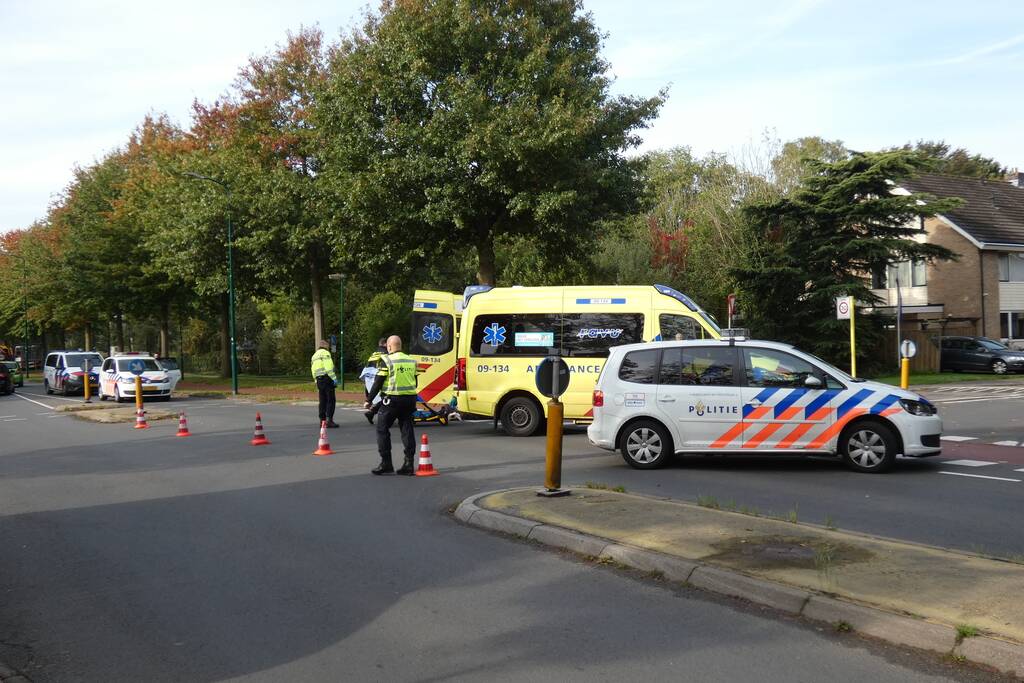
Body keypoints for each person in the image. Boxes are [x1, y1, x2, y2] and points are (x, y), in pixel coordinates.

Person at [364, 335, 418, 475]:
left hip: (392, 401)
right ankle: (409, 464)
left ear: (388, 347)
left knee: (382, 429)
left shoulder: (386, 360)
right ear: (400, 346)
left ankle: (386, 463)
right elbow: (415, 382)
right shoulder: (411, 360)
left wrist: (369, 400)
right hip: (409, 400)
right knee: (407, 430)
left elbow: (378, 382)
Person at [359, 337, 388, 425]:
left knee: (384, 398)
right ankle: (375, 414)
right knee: (387, 397)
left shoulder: (374, 353)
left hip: (368, 378)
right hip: (378, 376)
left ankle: (371, 413)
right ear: (385, 344)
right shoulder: (386, 353)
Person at [310, 340, 339, 428]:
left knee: (322, 400)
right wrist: (334, 378)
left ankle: (322, 421)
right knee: (331, 400)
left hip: (319, 380)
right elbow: (328, 367)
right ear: (325, 345)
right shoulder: (325, 353)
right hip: (327, 379)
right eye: (328, 345)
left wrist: (315, 379)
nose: (328, 347)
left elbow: (313, 369)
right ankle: (329, 420)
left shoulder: (314, 356)